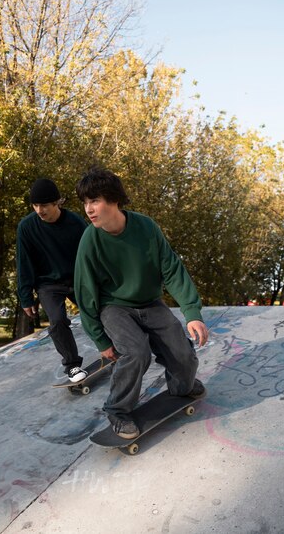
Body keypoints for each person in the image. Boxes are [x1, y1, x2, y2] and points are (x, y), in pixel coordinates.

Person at [74, 167, 208, 439]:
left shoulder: (146, 227)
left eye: (95, 201)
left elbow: (171, 269)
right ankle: (118, 410)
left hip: (149, 302)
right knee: (136, 352)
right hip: (114, 307)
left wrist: (192, 313)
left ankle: (181, 387)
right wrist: (101, 341)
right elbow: (85, 291)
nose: (89, 209)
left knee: (182, 352)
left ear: (113, 200)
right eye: (85, 203)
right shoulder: (90, 239)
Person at [17, 178, 88, 382]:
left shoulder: (75, 223)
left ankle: (117, 347)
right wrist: (26, 297)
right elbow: (24, 263)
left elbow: (90, 255)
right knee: (57, 321)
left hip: (77, 278)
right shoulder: (27, 227)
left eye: (45, 205)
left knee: (97, 311)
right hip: (48, 284)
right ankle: (73, 366)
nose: (40, 210)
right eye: (36, 205)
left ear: (58, 202)